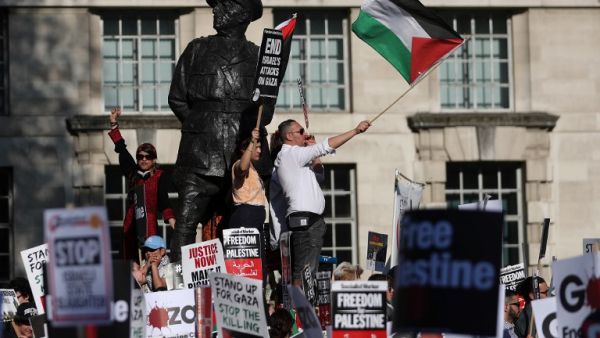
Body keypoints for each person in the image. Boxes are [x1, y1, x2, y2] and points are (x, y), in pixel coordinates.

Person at [168, 0, 275, 261]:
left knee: (243, 230)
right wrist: (201, 125)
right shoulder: (197, 49)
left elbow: (267, 111)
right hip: (200, 153)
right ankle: (178, 287)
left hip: (243, 155)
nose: (216, 10)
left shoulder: (259, 57)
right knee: (185, 223)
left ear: (242, 14)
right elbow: (177, 98)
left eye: (224, 5)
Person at [272, 119, 371, 286]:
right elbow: (325, 146)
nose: (305, 134)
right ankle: (297, 309)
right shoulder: (291, 153)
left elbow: (319, 175)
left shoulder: (297, 158)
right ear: (289, 136)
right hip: (304, 220)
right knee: (303, 272)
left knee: (308, 272)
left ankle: (301, 306)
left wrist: (314, 153)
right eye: (301, 131)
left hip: (312, 221)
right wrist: (355, 131)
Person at [108, 107, 176, 261]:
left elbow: (164, 202)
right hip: (131, 224)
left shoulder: (160, 176)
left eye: (148, 156)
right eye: (140, 157)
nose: (144, 159)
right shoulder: (133, 174)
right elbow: (122, 151)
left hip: (149, 226)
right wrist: (114, 124)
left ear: (154, 159)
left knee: (151, 263)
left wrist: (174, 224)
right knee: (131, 263)